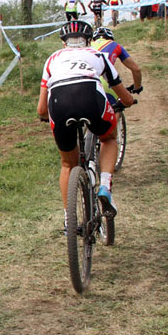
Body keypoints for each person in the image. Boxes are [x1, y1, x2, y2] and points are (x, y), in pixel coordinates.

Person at [37, 20, 135, 223]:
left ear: (63, 42)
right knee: (109, 138)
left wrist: (45, 117)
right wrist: (128, 101)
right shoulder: (98, 55)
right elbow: (122, 94)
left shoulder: (52, 59)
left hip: (59, 103)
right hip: (90, 97)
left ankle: (69, 220)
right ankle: (105, 186)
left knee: (67, 164)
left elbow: (41, 110)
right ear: (89, 41)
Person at [91, 28, 144, 105]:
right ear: (111, 38)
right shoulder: (115, 45)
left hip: (85, 83)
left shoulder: (86, 46)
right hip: (106, 82)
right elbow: (136, 69)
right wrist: (137, 87)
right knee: (116, 107)